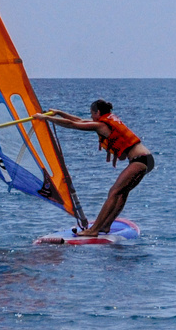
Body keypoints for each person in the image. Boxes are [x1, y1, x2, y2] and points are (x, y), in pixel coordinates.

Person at [44, 99, 154, 236]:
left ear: (98, 112)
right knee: (121, 192)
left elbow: (73, 124)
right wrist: (59, 113)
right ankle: (105, 226)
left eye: (92, 114)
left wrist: (44, 118)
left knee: (114, 192)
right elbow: (79, 120)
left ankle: (94, 230)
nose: (90, 117)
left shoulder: (101, 125)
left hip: (140, 160)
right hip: (145, 159)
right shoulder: (105, 122)